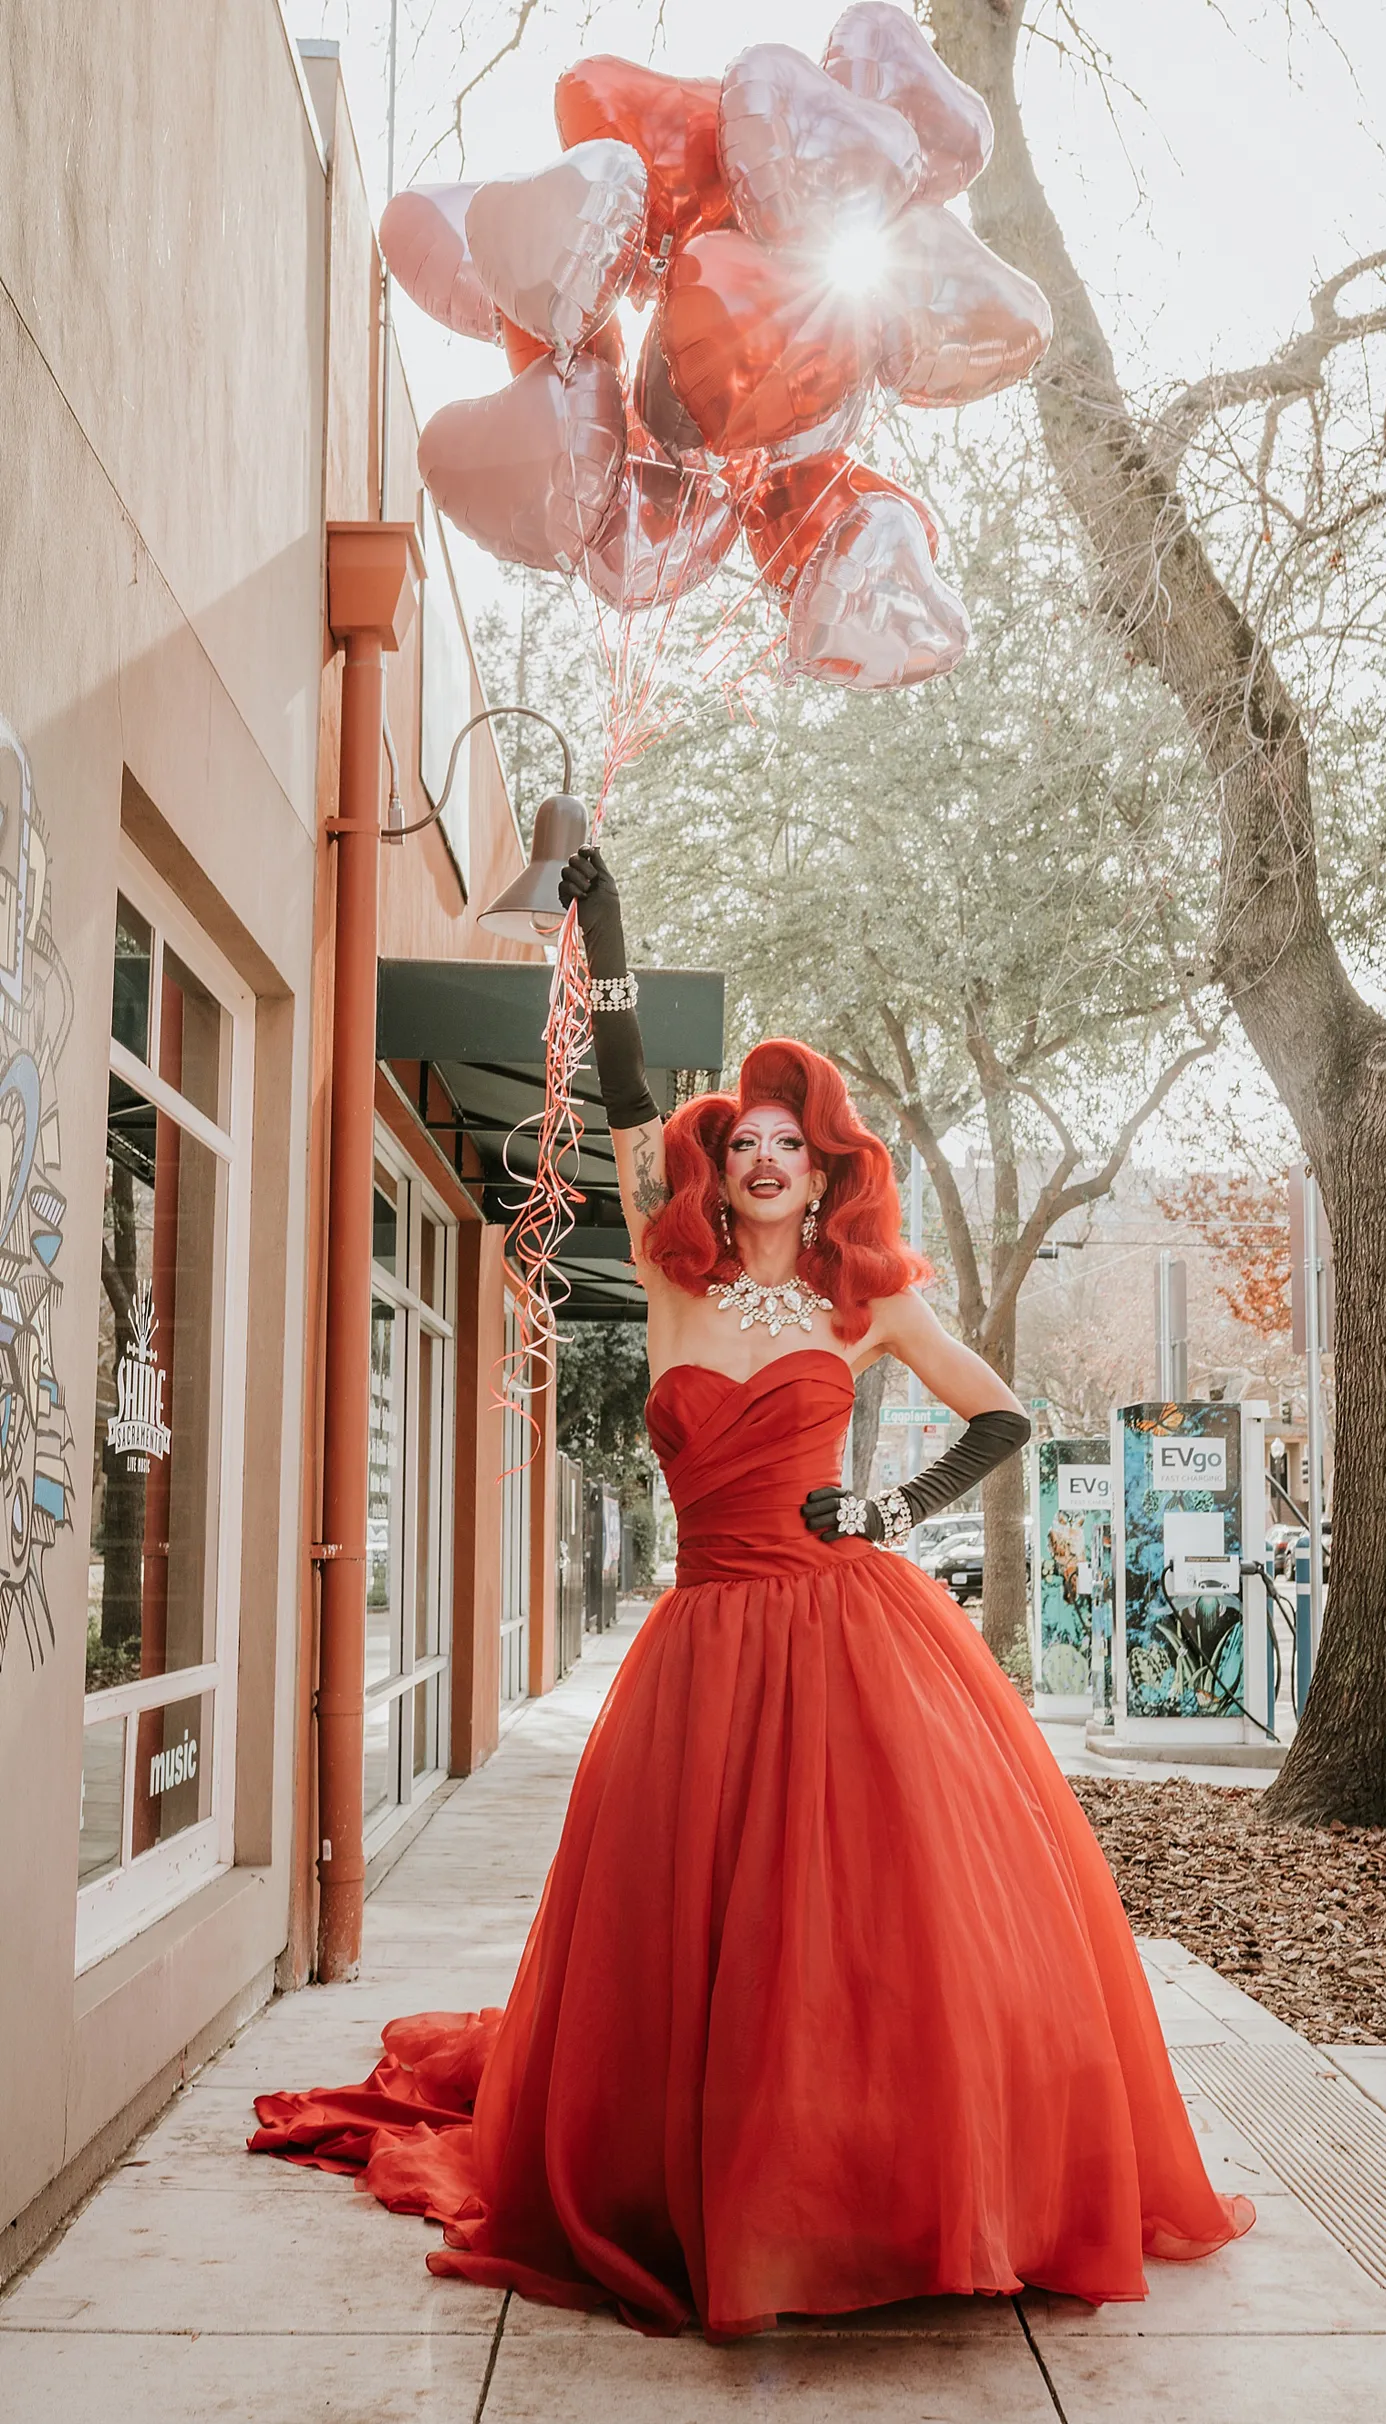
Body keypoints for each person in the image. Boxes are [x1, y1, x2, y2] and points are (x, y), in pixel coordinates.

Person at [250, 850, 1253, 2337]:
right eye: (747, 1145)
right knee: (702, 1933)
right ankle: (717, 2185)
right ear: (721, 1172)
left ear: (828, 1165)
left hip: (850, 1630)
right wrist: (603, 926)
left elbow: (1002, 1417)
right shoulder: (675, 1286)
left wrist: (891, 1506)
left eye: (791, 1142)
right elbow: (628, 1093)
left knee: (861, 1930)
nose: (765, 1161)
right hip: (705, 1643)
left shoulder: (867, 1305)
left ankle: (882, 2190)